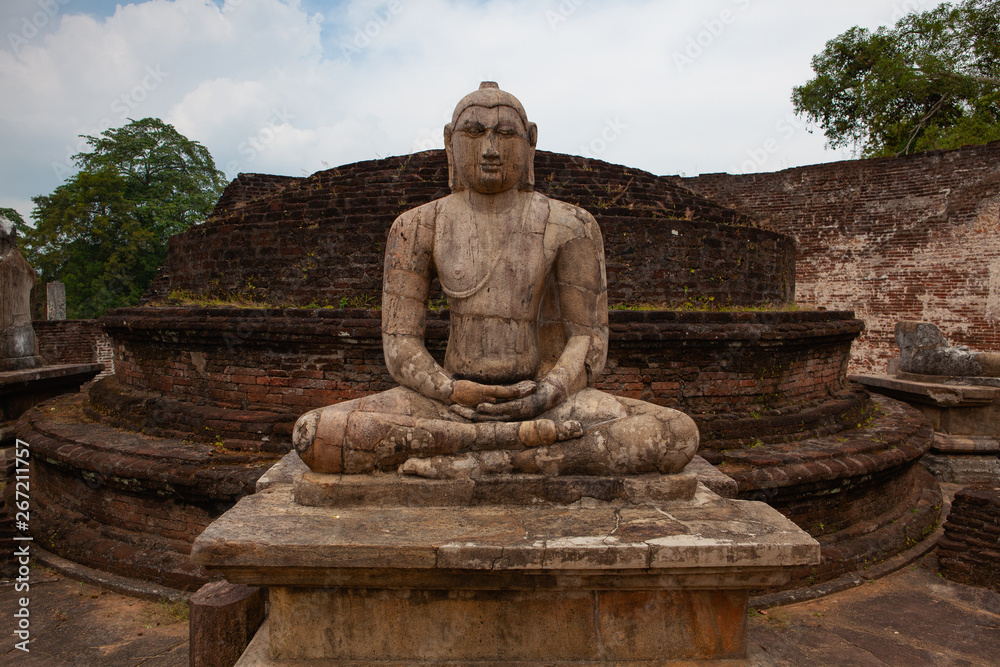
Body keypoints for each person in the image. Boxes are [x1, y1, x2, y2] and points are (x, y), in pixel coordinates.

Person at [293, 82, 698, 478]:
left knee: (676, 434)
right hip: (448, 405)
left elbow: (587, 340)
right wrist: (450, 390)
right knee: (314, 434)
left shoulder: (570, 224)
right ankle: (526, 450)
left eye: (505, 134)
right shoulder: (417, 225)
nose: (489, 149)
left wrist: (546, 393)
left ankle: (485, 458)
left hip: (543, 401)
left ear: (530, 142)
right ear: (450, 141)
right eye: (474, 133)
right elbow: (400, 343)